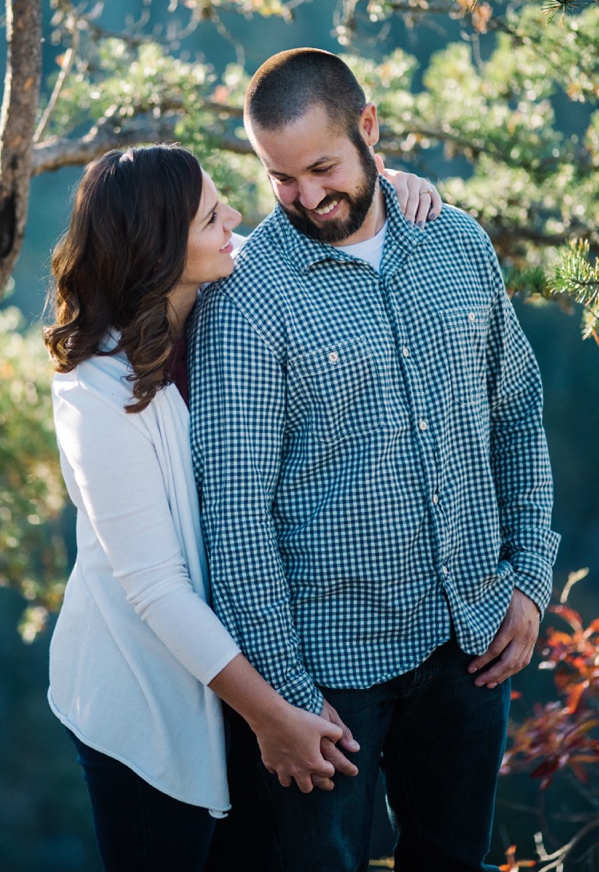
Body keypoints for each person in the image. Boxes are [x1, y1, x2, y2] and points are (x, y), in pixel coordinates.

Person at [188, 48, 560, 872]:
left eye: (321, 168)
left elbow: (517, 416)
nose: (307, 198)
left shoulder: (456, 242)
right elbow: (236, 516)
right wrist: (282, 695)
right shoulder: (246, 298)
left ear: (369, 128)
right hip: (328, 677)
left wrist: (530, 577)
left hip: (471, 643)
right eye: (279, 178)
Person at [43, 142, 439, 872]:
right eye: (208, 217)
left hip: (253, 671)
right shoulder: (93, 391)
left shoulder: (236, 275)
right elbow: (156, 587)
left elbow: (333, 230)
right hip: (150, 695)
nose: (234, 217)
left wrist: (395, 191)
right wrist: (270, 717)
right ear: (158, 251)